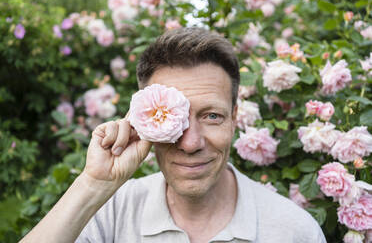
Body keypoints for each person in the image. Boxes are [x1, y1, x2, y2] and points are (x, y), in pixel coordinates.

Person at [21, 27, 326, 243]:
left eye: (211, 116)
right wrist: (93, 185)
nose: (191, 143)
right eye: (172, 119)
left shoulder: (294, 231)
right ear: (141, 120)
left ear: (234, 118)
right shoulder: (109, 212)